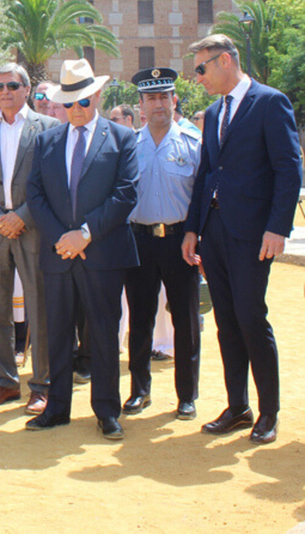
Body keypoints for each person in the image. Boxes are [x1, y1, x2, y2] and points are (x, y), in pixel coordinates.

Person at [182, 34, 301, 445]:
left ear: (226, 61)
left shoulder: (270, 103)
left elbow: (289, 169)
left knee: (251, 317)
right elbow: (206, 174)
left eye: (202, 68)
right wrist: (193, 228)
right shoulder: (214, 113)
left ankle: (269, 412)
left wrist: (277, 228)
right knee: (227, 321)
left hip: (253, 234)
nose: (197, 77)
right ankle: (238, 406)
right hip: (214, 233)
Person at [26, 58, 139, 440]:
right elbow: (35, 194)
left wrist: (85, 235)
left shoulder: (122, 138)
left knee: (104, 335)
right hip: (58, 255)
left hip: (103, 254)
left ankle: (107, 410)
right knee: (58, 333)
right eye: (68, 102)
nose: (76, 110)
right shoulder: (46, 141)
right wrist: (63, 237)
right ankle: (57, 408)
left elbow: (126, 194)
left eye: (83, 102)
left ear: (98, 96)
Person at [0, 65, 59, 415]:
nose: (5, 91)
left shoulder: (48, 128)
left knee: (40, 309)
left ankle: (43, 385)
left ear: (26, 88)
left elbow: (52, 182)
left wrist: (21, 216)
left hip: (32, 229)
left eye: (12, 85)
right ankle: (6, 382)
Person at [124, 68, 202, 421]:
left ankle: (186, 395)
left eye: (163, 96)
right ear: (140, 106)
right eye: (150, 98)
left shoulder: (192, 144)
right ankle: (139, 390)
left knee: (184, 320)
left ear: (174, 100)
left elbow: (203, 197)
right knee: (139, 319)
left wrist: (197, 236)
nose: (158, 104)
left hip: (179, 242)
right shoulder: (128, 146)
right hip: (139, 241)